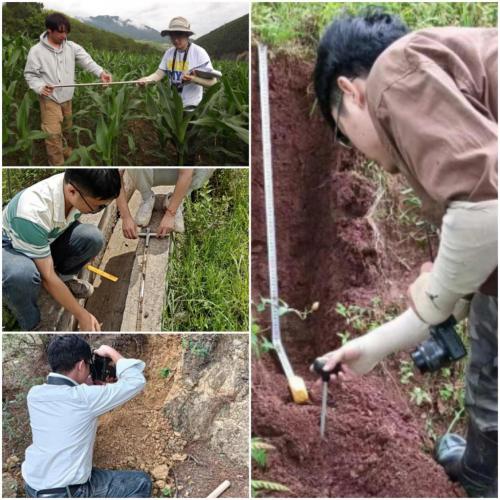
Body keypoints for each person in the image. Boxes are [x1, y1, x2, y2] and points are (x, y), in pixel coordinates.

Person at [313, 10, 497, 497]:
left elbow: (484, 215)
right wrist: (367, 349)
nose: (354, 149)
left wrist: (439, 296)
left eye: (342, 130)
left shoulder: (395, 72)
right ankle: (485, 471)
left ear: (351, 91)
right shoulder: (452, 79)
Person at [22, 335, 151, 498]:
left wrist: (88, 385)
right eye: (89, 365)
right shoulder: (85, 398)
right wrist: (110, 352)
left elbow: (67, 401)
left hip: (33, 487)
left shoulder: (34, 394)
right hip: (68, 493)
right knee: (141, 482)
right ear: (81, 365)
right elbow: (136, 381)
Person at [2, 169, 121, 331]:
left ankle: (64, 280)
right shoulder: (31, 213)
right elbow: (47, 276)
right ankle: (31, 322)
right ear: (72, 191)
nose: (97, 211)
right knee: (21, 275)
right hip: (11, 245)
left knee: (93, 238)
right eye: (96, 207)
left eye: (103, 207)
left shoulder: (78, 186)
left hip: (46, 237)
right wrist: (82, 315)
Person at [24, 13, 112, 165]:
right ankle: (57, 164)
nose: (64, 36)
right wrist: (39, 86)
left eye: (66, 32)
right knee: (52, 134)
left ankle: (66, 151)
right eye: (60, 32)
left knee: (67, 129)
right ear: (49, 30)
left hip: (67, 97)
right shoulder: (37, 51)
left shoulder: (71, 47)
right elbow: (30, 74)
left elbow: (87, 61)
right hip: (50, 98)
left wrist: (101, 73)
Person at [137, 17, 217, 110]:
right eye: (172, 36)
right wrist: (146, 80)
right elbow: (158, 74)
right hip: (172, 105)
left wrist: (193, 79)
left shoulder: (199, 53)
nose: (175, 40)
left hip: (192, 107)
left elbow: (213, 83)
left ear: (187, 35)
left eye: (179, 35)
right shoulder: (169, 53)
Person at [116, 168, 215, 238]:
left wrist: (170, 214)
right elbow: (116, 176)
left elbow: (186, 174)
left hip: (179, 173)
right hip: (151, 171)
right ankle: (147, 198)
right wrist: (126, 217)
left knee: (206, 168)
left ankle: (175, 201)